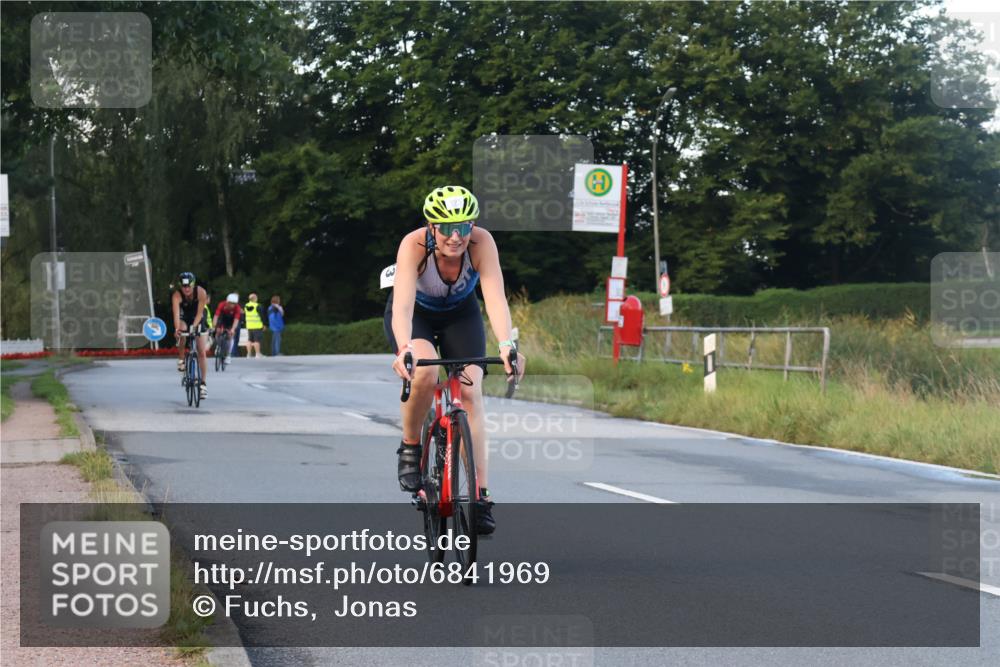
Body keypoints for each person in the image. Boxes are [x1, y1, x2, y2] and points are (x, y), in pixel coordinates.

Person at [385, 185, 525, 535]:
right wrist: (404, 348)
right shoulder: (414, 245)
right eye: (446, 227)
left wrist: (507, 345)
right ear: (431, 227)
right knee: (425, 372)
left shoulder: (482, 243)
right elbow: (402, 306)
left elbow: (495, 299)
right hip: (417, 316)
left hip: (461, 315)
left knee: (471, 390)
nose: (455, 236)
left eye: (463, 226)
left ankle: (480, 497)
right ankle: (410, 446)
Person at [171, 272, 209, 400]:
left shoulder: (201, 292)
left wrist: (194, 326)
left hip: (198, 318)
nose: (186, 289)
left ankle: (203, 384)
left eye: (189, 286)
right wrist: (177, 329)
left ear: (193, 285)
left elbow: (200, 313)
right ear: (180, 286)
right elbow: (176, 315)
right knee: (182, 330)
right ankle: (181, 358)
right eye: (184, 286)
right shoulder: (177, 295)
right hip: (184, 318)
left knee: (201, 352)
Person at [214, 293, 242, 359]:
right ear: (227, 302)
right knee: (218, 331)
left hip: (231, 320)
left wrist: (232, 329)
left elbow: (236, 320)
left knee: (231, 335)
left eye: (234, 304)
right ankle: (218, 346)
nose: (232, 305)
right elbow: (216, 316)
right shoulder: (221, 304)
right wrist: (215, 326)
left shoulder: (237, 308)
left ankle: (228, 354)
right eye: (230, 303)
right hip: (222, 318)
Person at [244, 293, 267, 358]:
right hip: (257, 325)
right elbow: (262, 316)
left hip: (249, 325)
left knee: (249, 340)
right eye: (256, 297)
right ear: (254, 298)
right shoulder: (258, 306)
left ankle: (248, 354)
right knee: (257, 340)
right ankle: (258, 354)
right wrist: (264, 324)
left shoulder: (246, 305)